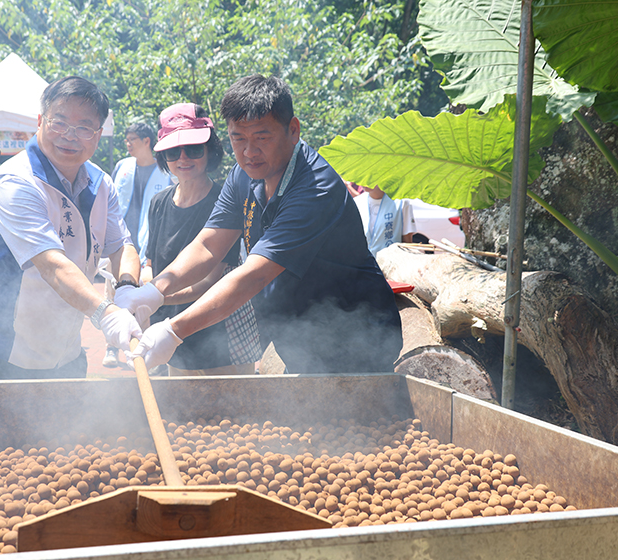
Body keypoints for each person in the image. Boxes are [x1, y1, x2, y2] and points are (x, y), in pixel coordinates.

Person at [118, 75, 403, 374]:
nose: (249, 152)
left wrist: (173, 330)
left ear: (293, 130)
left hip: (358, 337)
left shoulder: (315, 187)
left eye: (262, 138)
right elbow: (208, 244)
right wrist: (153, 292)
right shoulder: (244, 176)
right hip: (301, 337)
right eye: (238, 138)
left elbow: (254, 275)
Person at [0, 76, 142, 380]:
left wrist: (128, 289)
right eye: (59, 122)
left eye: (84, 127)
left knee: (68, 428)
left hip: (64, 350)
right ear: (40, 121)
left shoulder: (101, 183)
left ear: (99, 133)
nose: (70, 136)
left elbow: (121, 245)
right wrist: (107, 314)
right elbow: (52, 266)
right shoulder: (15, 183)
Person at [146, 102, 261, 376]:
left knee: (234, 411)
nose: (183, 158)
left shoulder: (226, 201)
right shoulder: (159, 203)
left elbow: (211, 283)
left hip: (219, 327)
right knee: (181, 409)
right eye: (173, 151)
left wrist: (152, 298)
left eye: (194, 149)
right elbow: (153, 263)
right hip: (171, 324)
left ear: (210, 151)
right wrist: (139, 290)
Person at [102, 123, 171, 367]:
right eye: (126, 139)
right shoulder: (122, 166)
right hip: (120, 247)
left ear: (147, 142)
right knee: (113, 295)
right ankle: (111, 348)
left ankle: (141, 352)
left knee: (142, 302)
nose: (128, 144)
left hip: (148, 246)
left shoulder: (165, 170)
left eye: (133, 139)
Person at [354, 183, 416, 255]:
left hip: (390, 263)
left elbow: (407, 243)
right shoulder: (356, 203)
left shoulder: (401, 203)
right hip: (363, 263)